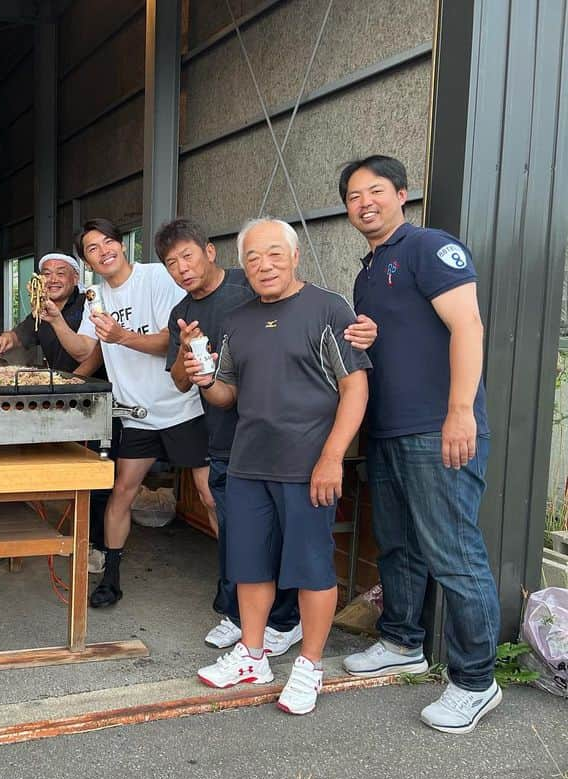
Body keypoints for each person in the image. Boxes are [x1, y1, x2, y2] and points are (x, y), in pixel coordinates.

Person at [338, 155, 502, 733]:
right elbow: (405, 337)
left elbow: (468, 326)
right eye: (354, 196)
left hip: (439, 430)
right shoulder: (368, 270)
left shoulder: (430, 247)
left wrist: (460, 412)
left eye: (375, 191)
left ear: (402, 193)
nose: (365, 203)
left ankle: (477, 680)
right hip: (388, 431)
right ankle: (403, 640)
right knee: (399, 548)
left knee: (455, 556)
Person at [191, 217, 370, 715]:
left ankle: (310, 665)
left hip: (309, 464)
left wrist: (333, 457)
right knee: (249, 563)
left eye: (274, 254)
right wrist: (204, 377)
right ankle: (252, 654)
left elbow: (355, 387)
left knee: (312, 569)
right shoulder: (239, 319)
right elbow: (226, 394)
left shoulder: (329, 308)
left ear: (295, 257)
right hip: (249, 463)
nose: (263, 265)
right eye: (252, 257)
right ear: (242, 266)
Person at [157, 218, 301, 658]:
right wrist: (186, 350)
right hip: (222, 437)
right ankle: (238, 614)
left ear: (210, 251)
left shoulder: (250, 286)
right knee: (237, 531)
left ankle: (284, 620)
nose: (182, 268)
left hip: (273, 437)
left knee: (282, 533)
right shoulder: (181, 313)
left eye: (187, 255)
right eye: (171, 262)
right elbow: (181, 382)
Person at [56, 218, 214, 609]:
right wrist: (56, 319)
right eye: (92, 248)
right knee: (121, 493)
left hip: (182, 407)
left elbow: (171, 341)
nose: (103, 251)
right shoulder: (94, 295)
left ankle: (233, 579)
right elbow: (85, 351)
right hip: (136, 414)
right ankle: (111, 577)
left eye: (108, 242)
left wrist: (121, 336)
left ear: (122, 245)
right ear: (87, 261)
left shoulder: (157, 277)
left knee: (210, 496)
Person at [0, 252, 110, 572]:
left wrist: (69, 386)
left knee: (93, 474)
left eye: (61, 272)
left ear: (75, 278)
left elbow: (94, 354)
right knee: (51, 464)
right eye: (46, 273)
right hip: (60, 394)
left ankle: (95, 545)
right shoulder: (40, 308)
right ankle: (19, 535)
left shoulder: (89, 303)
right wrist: (5, 339)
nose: (53, 278)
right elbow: (21, 334)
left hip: (88, 398)